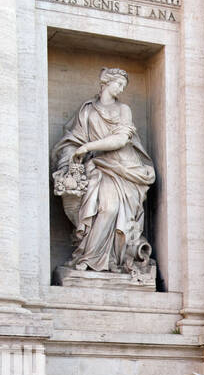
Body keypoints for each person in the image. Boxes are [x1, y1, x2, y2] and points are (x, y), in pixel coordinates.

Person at [51, 67, 155, 276]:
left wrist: (88, 147)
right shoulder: (87, 110)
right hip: (98, 166)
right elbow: (74, 139)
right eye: (118, 84)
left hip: (124, 167)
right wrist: (72, 156)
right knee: (101, 209)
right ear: (106, 83)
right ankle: (89, 257)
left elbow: (121, 139)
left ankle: (100, 259)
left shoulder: (123, 109)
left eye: (123, 86)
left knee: (110, 209)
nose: (121, 88)